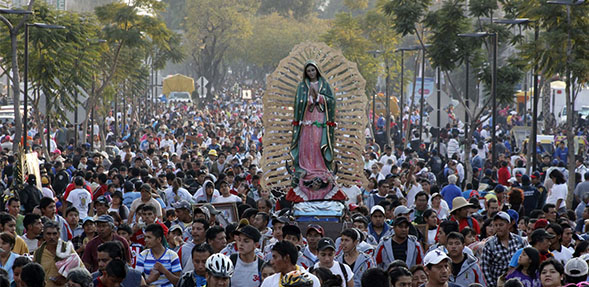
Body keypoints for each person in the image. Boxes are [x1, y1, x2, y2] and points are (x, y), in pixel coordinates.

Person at [289, 61, 337, 201]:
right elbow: (298, 103)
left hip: (320, 119)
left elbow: (332, 101)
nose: (311, 73)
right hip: (306, 120)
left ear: (317, 70)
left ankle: (320, 167)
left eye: (313, 70)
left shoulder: (324, 84)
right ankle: (306, 167)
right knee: (307, 143)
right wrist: (308, 100)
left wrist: (319, 98)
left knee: (317, 142)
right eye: (308, 71)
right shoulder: (302, 86)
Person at [481, 211, 527, 287]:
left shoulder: (519, 241)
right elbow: (485, 268)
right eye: (496, 225)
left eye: (501, 225)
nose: (498, 227)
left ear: (509, 225)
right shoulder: (489, 244)